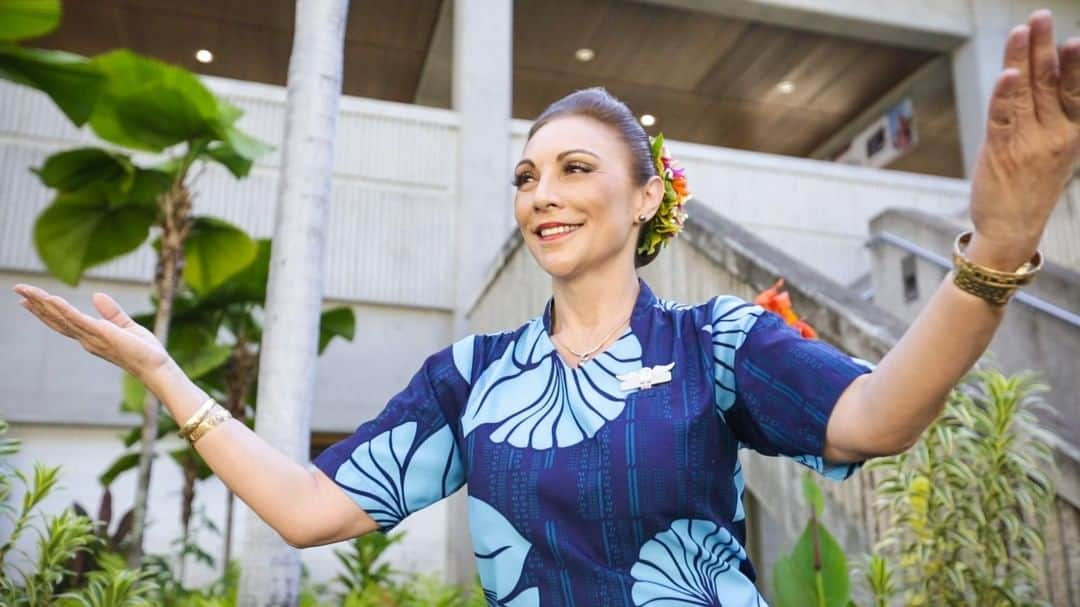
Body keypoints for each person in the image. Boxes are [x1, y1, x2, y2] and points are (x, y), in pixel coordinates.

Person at [12, 9, 1080, 606]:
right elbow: (307, 508)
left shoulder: (717, 341)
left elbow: (880, 418)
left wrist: (995, 249)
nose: (543, 194)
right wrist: (162, 372)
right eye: (526, 176)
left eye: (573, 168)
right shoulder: (470, 377)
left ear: (646, 192)